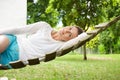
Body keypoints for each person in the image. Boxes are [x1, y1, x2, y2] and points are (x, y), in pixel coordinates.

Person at [0, 21, 83, 65]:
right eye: (70, 28)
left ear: (70, 40)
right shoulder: (44, 26)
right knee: (6, 37)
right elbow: (19, 30)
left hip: (15, 57)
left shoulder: (60, 46)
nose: (67, 31)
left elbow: (81, 39)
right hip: (13, 41)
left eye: (70, 34)